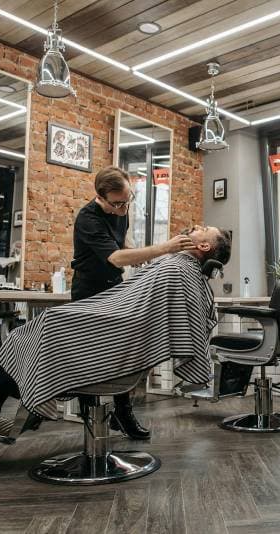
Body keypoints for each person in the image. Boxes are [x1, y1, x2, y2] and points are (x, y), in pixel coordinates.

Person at [0, 225, 232, 426]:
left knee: (46, 324)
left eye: (203, 229)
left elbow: (135, 313)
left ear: (203, 245)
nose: (196, 226)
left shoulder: (177, 268)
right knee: (32, 334)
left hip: (118, 341)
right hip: (119, 332)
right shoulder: (178, 268)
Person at [69, 166, 196, 439]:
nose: (124, 208)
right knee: (88, 356)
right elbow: (115, 258)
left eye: (128, 201)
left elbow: (123, 245)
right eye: (118, 204)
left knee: (123, 351)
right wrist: (165, 247)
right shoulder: (88, 219)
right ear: (101, 198)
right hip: (88, 291)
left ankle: (123, 414)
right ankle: (91, 418)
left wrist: (143, 256)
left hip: (114, 287)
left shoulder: (121, 208)